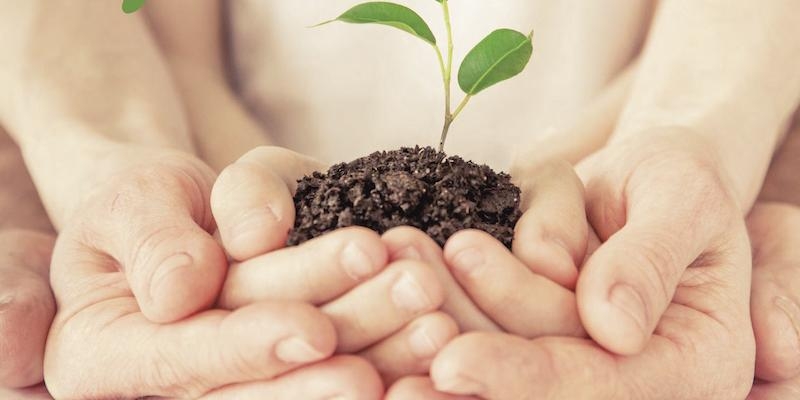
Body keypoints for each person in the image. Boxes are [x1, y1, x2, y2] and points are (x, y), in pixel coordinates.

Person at [1, 1, 799, 399]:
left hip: (592, 168)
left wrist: (707, 142)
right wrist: (122, 165)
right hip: (226, 151)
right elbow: (157, 36)